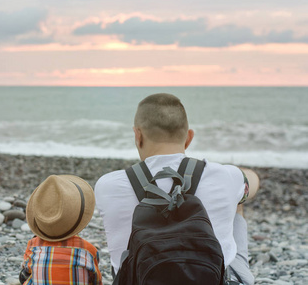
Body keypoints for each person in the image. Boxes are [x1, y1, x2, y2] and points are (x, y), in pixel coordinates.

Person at [94, 93, 259, 285]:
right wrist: (242, 178)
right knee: (238, 199)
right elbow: (251, 183)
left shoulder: (108, 185)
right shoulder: (226, 176)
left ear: (138, 136)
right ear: (189, 137)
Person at [19, 174, 103, 285]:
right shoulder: (88, 250)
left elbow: (24, 274)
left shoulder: (33, 245)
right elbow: (96, 280)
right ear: (77, 217)